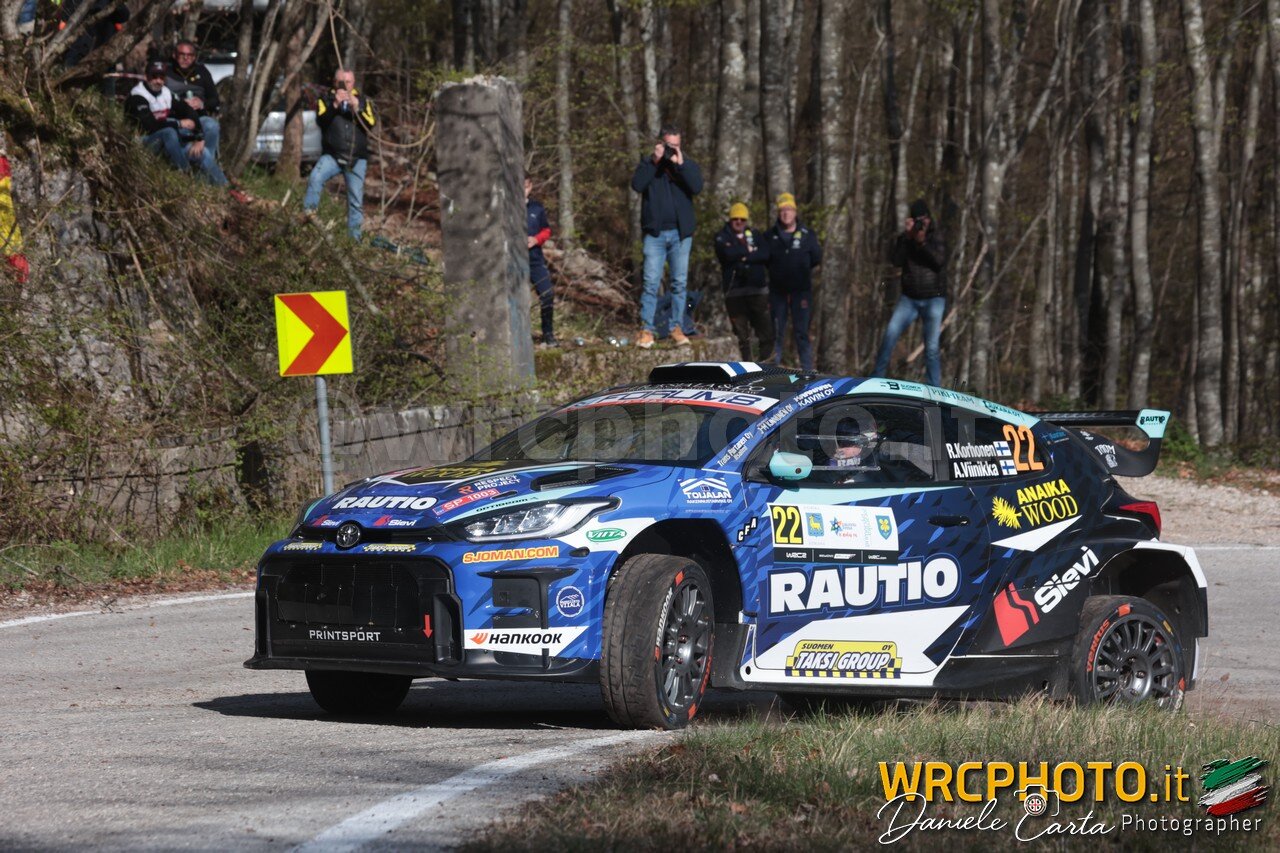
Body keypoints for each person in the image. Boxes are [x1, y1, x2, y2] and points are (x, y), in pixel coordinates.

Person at [630, 123, 702, 348]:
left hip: (681, 235)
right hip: (655, 234)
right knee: (651, 282)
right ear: (660, 143)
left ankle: (676, 327)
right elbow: (637, 184)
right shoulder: (649, 165)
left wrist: (681, 164)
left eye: (676, 145)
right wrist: (655, 161)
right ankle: (646, 330)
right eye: (669, 145)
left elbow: (697, 187)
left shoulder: (686, 165)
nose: (672, 149)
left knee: (679, 283)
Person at [872, 198, 948, 386]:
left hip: (934, 298)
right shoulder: (906, 238)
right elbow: (896, 261)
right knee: (890, 335)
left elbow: (939, 262)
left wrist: (922, 243)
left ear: (929, 218)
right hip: (909, 299)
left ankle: (934, 388)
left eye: (925, 219)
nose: (923, 223)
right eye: (918, 220)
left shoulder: (937, 236)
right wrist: (907, 237)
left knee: (931, 347)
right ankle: (875, 379)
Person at [124, 61, 227, 186]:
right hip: (144, 141)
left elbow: (187, 109)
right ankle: (184, 174)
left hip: (169, 143)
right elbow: (149, 126)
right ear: (146, 77)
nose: (158, 81)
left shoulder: (165, 92)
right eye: (154, 77)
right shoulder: (138, 96)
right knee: (169, 131)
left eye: (162, 77)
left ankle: (223, 186)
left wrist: (199, 136)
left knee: (202, 152)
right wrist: (178, 124)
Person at [304, 69, 376, 241]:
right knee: (315, 178)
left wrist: (357, 108)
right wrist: (335, 105)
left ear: (354, 83)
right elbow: (321, 121)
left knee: (355, 201)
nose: (345, 85)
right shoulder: (325, 99)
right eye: (341, 82)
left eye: (348, 82)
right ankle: (307, 224)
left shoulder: (363, 100)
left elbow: (370, 124)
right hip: (332, 155)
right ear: (335, 83)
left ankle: (354, 242)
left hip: (357, 158)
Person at [761, 193, 822, 371]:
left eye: (789, 209)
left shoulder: (807, 234)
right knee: (776, 333)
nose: (786, 213)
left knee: (802, 332)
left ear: (795, 212)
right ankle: (772, 371)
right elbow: (764, 259)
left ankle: (807, 370)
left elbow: (816, 257)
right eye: (782, 210)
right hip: (777, 292)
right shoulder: (769, 235)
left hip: (801, 292)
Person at [713, 202, 773, 360]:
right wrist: (749, 251)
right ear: (730, 220)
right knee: (741, 336)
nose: (739, 222)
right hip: (735, 292)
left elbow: (765, 254)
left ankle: (766, 364)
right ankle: (747, 366)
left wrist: (741, 256)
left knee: (766, 332)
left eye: (742, 219)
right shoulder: (722, 236)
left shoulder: (755, 234)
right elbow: (727, 254)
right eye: (735, 219)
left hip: (757, 290)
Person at [166, 41, 221, 161]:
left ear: (194, 57)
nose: (186, 58)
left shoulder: (202, 71)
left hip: (199, 117)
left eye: (190, 55)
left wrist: (202, 104)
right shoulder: (166, 72)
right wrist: (179, 104)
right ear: (174, 55)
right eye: (182, 54)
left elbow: (215, 100)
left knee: (212, 126)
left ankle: (207, 163)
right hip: (175, 118)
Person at [525, 176, 556, 346]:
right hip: (513, 259)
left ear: (530, 186)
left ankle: (548, 333)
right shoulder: (507, 207)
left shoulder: (537, 208)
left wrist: (536, 239)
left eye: (526, 186)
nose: (524, 190)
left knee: (547, 293)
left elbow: (546, 230)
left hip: (535, 258)